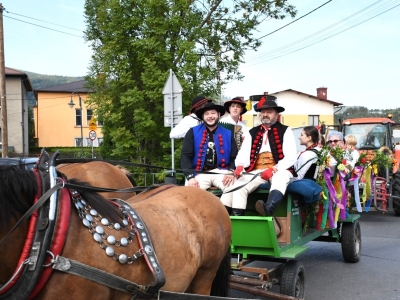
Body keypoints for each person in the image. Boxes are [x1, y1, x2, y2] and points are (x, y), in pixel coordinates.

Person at [225, 96, 297, 217]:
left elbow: (291, 156)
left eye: (269, 112)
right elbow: (243, 153)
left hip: (280, 169)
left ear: (276, 114)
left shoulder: (286, 130)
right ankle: (238, 218)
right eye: (263, 112)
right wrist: (240, 166)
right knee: (239, 185)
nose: (265, 114)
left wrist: (274, 169)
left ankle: (268, 209)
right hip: (257, 170)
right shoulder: (251, 132)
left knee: (280, 178)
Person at [180, 102, 238, 214]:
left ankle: (221, 215)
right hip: (198, 173)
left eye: (213, 113)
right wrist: (190, 177)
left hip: (221, 171)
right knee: (189, 194)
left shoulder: (228, 133)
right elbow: (185, 156)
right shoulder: (192, 132)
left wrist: (231, 171)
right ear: (203, 116)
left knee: (233, 186)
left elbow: (234, 157)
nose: (210, 116)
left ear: (219, 114)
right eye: (207, 114)